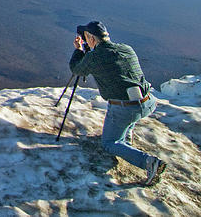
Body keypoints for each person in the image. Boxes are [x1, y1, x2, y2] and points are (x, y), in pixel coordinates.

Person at [69, 20, 167, 186]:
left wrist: (79, 51)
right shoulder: (125, 48)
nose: (85, 40)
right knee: (125, 115)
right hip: (148, 102)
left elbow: (77, 69)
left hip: (127, 109)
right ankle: (125, 142)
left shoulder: (95, 57)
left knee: (108, 143)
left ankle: (149, 163)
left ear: (92, 39)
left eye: (86, 37)